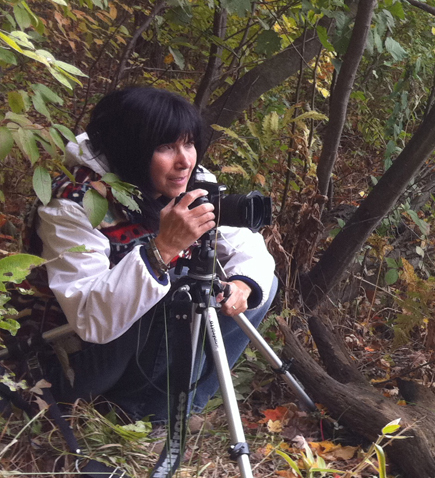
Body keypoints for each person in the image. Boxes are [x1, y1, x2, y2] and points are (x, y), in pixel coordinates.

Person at [16, 85, 276, 423]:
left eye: (189, 143)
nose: (185, 160)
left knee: (260, 282)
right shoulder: (72, 205)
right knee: (180, 287)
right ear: (130, 149)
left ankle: (177, 411)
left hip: (133, 347)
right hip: (73, 359)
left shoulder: (187, 180)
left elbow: (246, 245)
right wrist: (162, 250)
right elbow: (89, 319)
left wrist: (242, 284)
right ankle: (142, 417)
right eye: (166, 147)